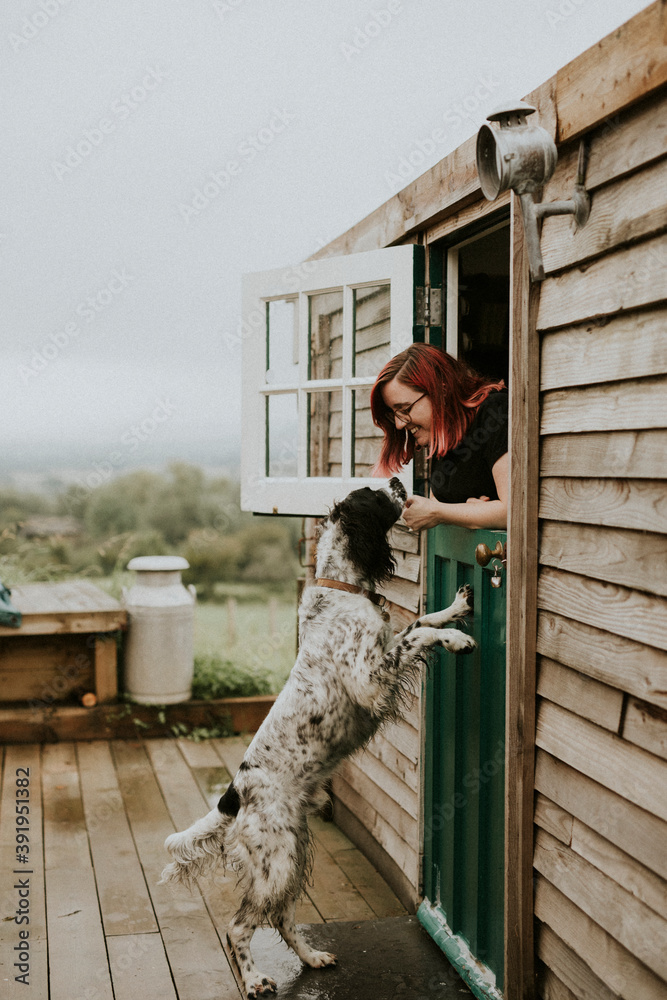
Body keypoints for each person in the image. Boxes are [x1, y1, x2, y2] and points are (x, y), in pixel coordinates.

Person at [370, 343, 508, 531]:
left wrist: (438, 512)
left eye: (404, 409)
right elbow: (444, 504)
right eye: (393, 413)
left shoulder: (495, 412)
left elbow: (512, 511)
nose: (399, 424)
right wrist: (466, 512)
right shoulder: (442, 435)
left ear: (441, 392)